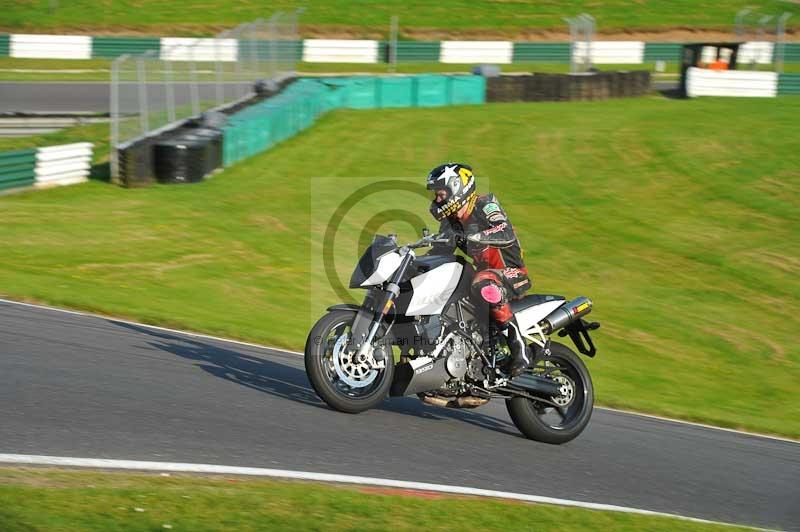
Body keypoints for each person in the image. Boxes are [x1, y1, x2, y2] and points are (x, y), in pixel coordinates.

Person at [426, 162, 533, 376]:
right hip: (483, 276)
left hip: (511, 274)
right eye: (436, 195)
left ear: (458, 188)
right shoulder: (452, 221)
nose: (437, 200)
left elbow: (505, 233)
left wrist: (476, 236)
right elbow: (441, 252)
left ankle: (519, 347)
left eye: (441, 193)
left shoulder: (485, 204)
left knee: (483, 282)